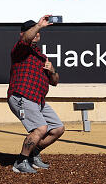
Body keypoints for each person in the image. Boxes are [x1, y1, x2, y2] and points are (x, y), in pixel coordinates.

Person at [7, 15, 65, 173]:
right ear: (23, 34)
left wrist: (52, 71)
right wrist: (39, 25)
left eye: (38, 31)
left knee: (58, 129)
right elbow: (26, 38)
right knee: (40, 128)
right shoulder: (20, 50)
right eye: (33, 30)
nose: (37, 33)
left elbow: (55, 82)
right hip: (22, 95)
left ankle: (34, 154)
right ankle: (21, 161)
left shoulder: (42, 56)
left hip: (38, 100)